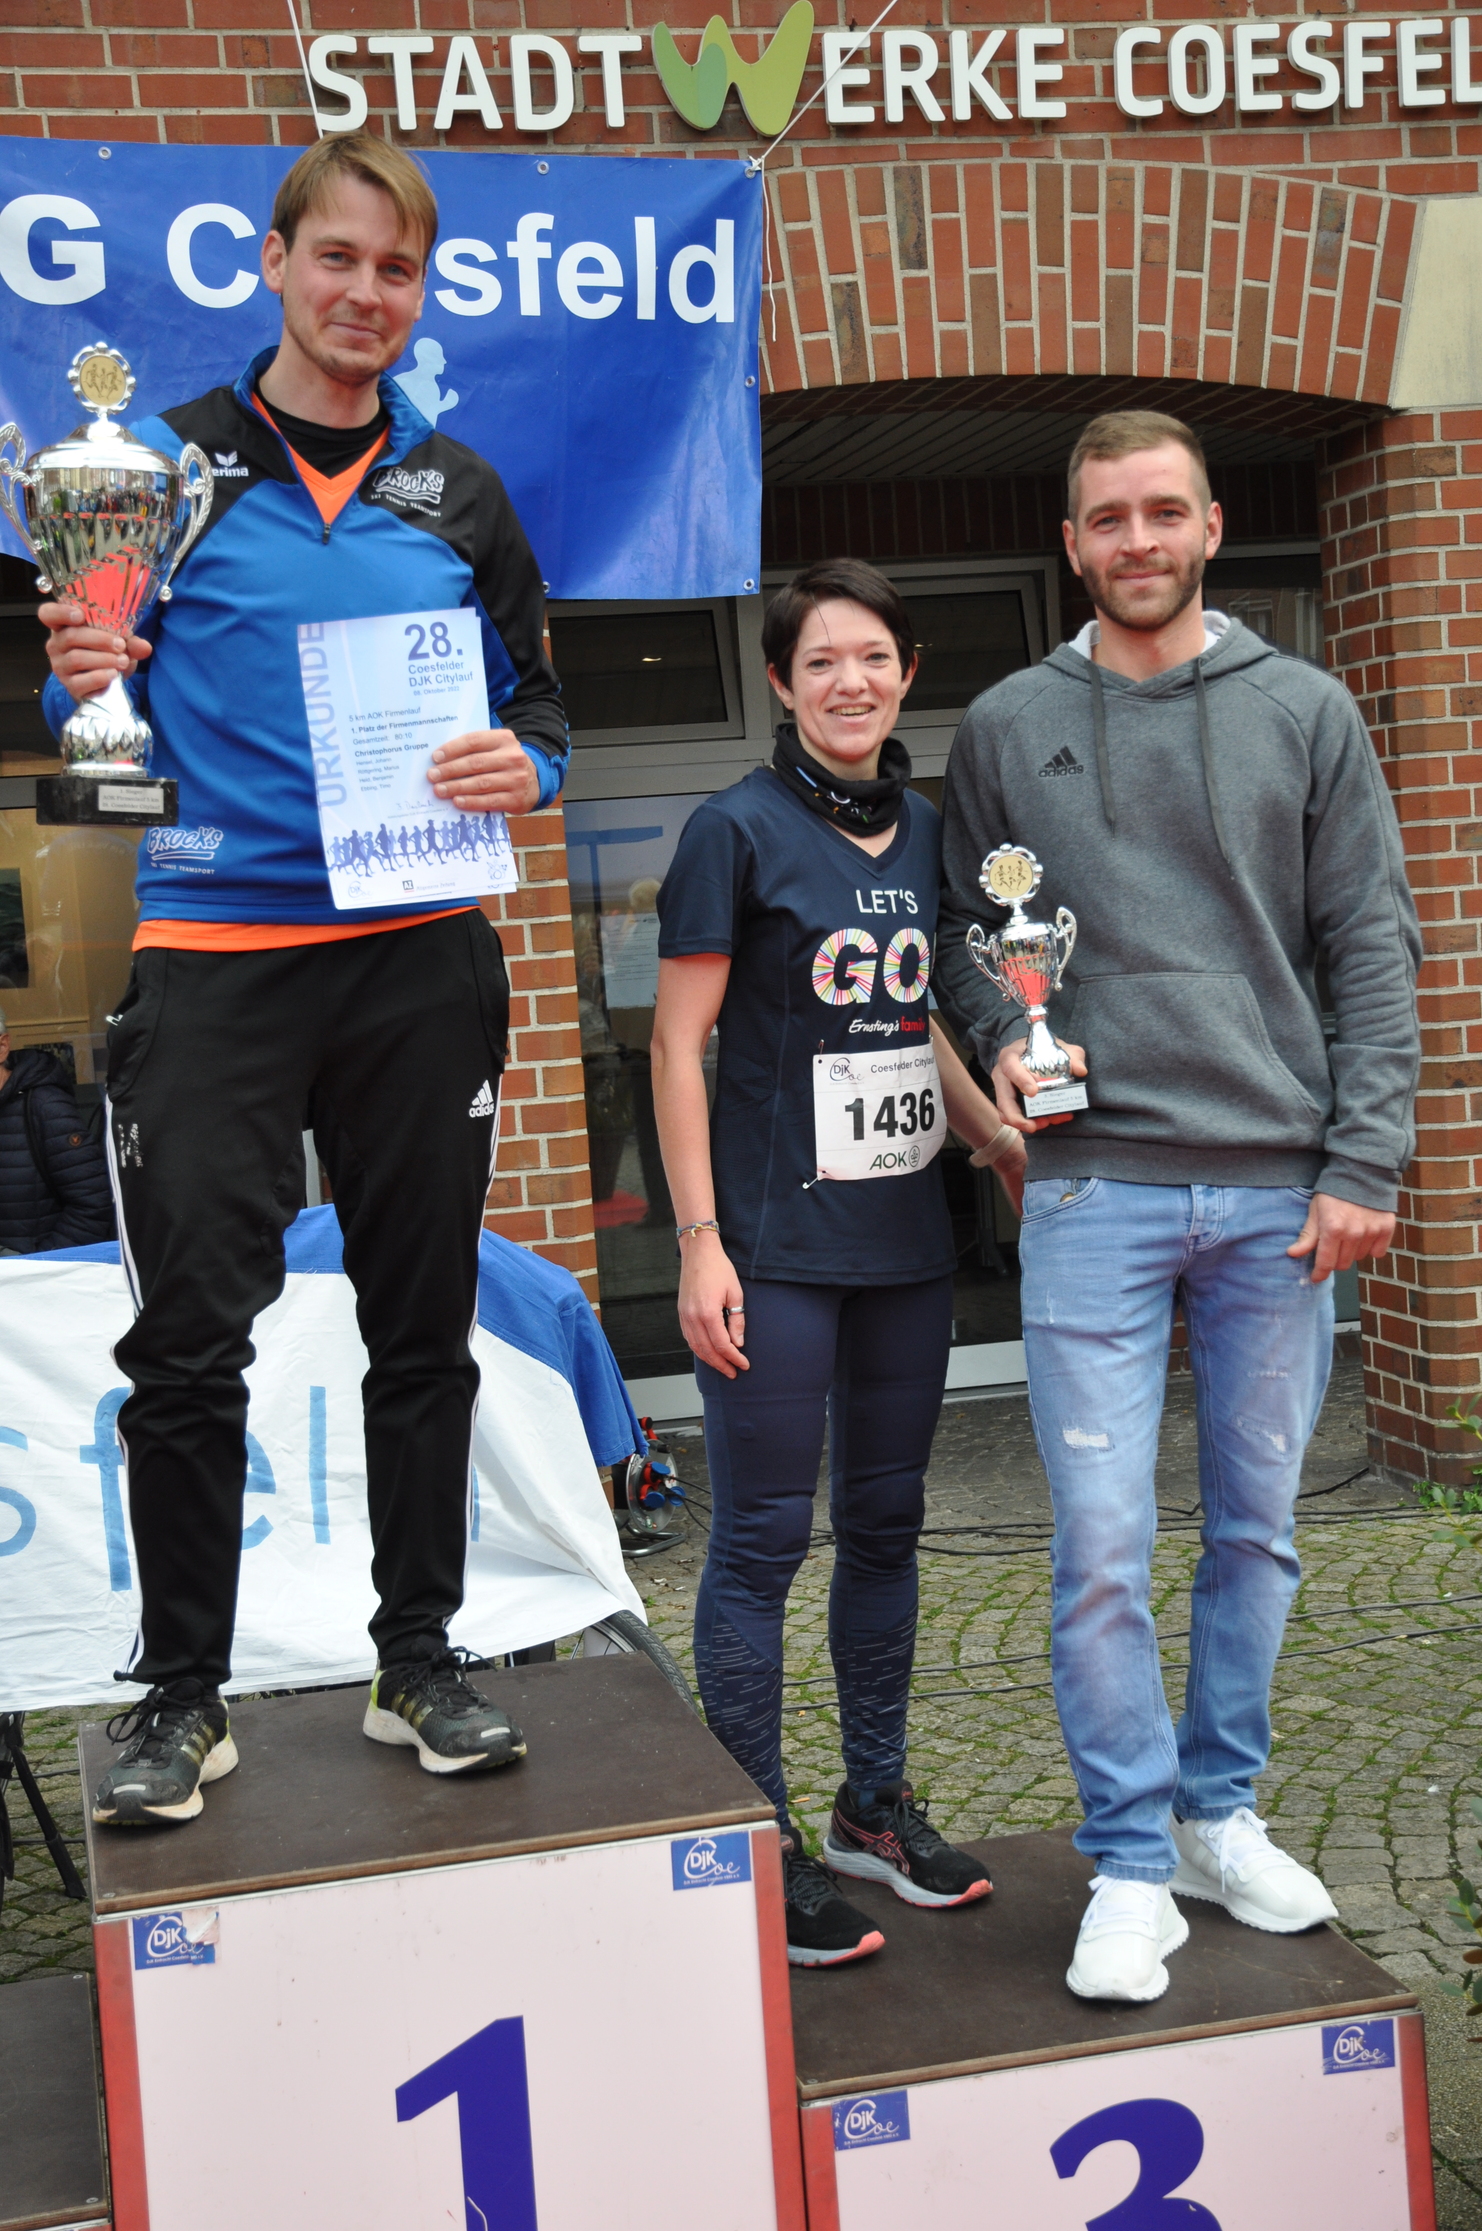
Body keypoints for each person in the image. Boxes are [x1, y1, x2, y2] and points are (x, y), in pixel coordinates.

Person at [38, 133, 567, 1828]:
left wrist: (524, 775)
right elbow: (85, 721)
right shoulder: (164, 468)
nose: (363, 294)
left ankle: (421, 1660)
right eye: (335, 258)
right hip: (216, 962)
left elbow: (545, 719)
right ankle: (182, 1696)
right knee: (190, 1341)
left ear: (422, 290)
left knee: (424, 1327)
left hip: (418, 962)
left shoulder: (460, 491)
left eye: (395, 269)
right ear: (274, 264)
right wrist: (81, 675)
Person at [935, 410, 1421, 2003]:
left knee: (1258, 1528)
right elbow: (965, 931)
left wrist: (1363, 1162)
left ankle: (1219, 1808)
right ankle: (1129, 1859)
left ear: (1209, 526)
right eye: (1104, 519)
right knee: (1093, 1539)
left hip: (1279, 1187)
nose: (1134, 541)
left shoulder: (1306, 708)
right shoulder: (1009, 719)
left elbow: (1367, 941)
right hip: (1093, 1185)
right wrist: (1015, 1040)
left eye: (1161, 513)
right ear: (1069, 543)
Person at [651, 558, 1026, 1967]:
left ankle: (874, 1801)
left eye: (870, 657)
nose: (848, 681)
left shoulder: (928, 831)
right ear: (781, 683)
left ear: (906, 671)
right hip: (772, 1245)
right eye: (820, 662)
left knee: (886, 1524)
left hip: (902, 1244)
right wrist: (697, 1241)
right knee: (760, 1537)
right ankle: (759, 1836)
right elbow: (674, 1042)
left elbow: (916, 1011)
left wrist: (991, 1134)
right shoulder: (730, 830)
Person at [0, 1010, 114, 1254]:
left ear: (2, 1046)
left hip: (32, 1279)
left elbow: (93, 1203)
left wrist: (37, 1267)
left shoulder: (45, 1107)